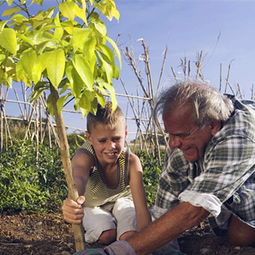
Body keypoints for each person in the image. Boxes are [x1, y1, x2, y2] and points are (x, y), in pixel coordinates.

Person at [72, 80, 255, 255]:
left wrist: (115, 252)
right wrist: (157, 245)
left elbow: (195, 209)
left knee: (243, 234)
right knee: (239, 235)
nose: (173, 144)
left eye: (181, 135)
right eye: (169, 134)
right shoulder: (180, 148)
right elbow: (163, 209)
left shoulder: (240, 137)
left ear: (213, 124)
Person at [62, 102, 151, 245]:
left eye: (116, 138)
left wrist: (146, 243)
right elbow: (78, 179)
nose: (111, 147)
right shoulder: (84, 157)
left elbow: (141, 209)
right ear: (89, 138)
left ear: (125, 133)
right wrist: (72, 203)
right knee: (107, 235)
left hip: (122, 202)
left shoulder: (132, 162)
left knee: (129, 237)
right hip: (92, 205)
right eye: (102, 140)